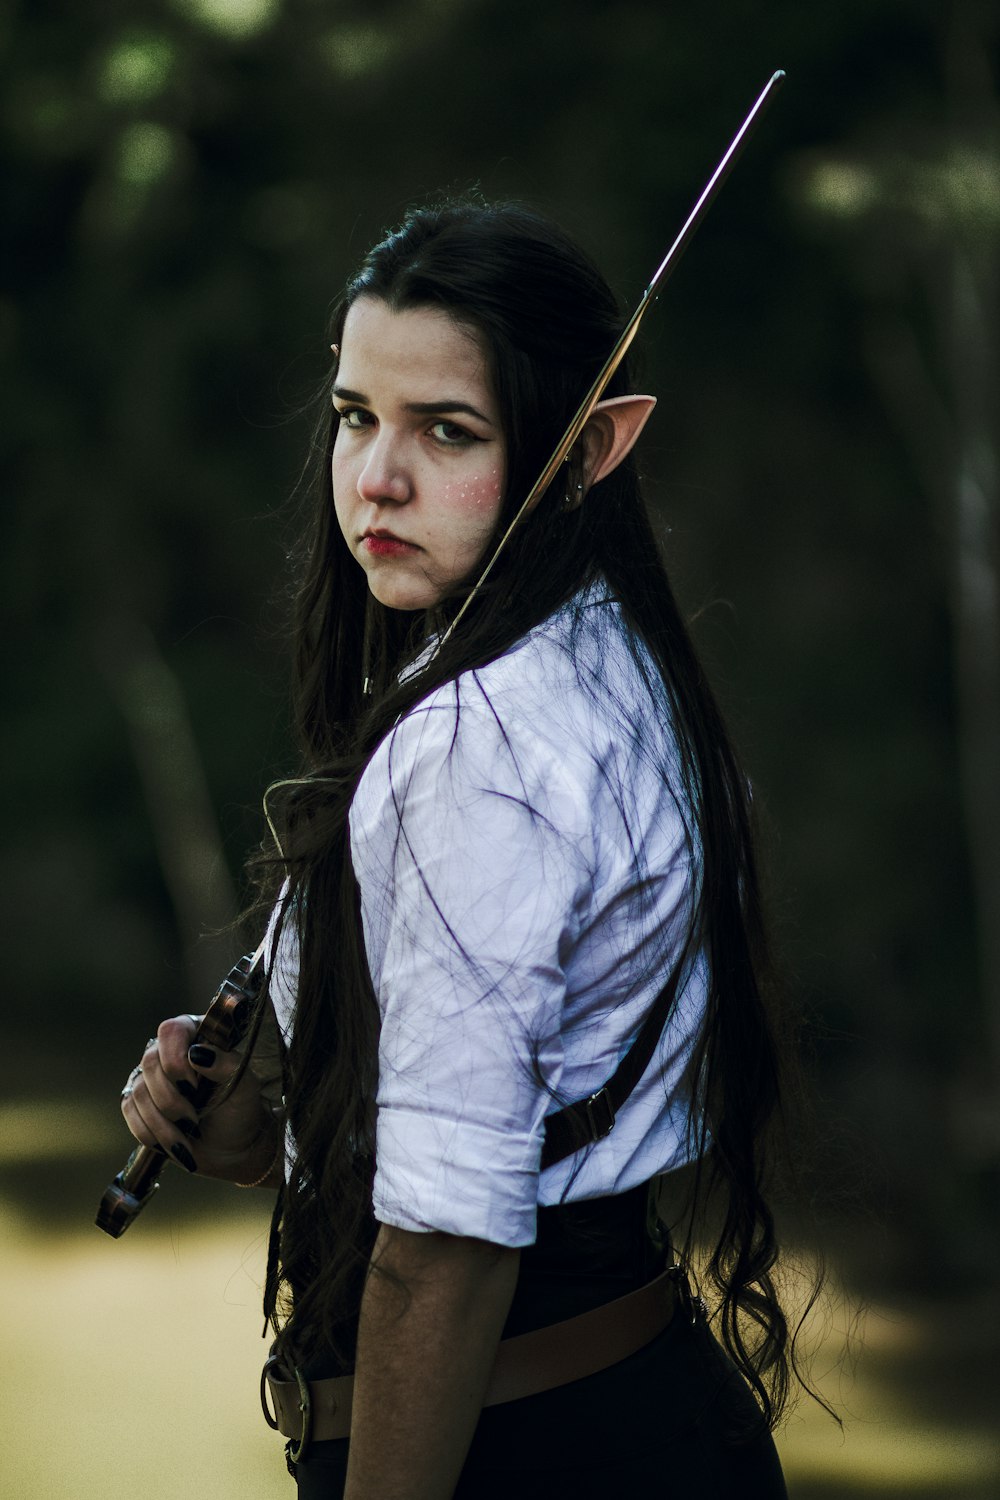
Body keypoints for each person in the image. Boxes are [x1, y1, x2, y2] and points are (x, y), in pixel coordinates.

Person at [120, 197, 798, 1498]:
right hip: (643, 1419)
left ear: (593, 448)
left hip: (523, 1451)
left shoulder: (479, 743)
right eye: (355, 416)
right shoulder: (611, 660)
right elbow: (522, 1109)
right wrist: (272, 1127)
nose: (375, 477)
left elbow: (444, 1250)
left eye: (448, 430)